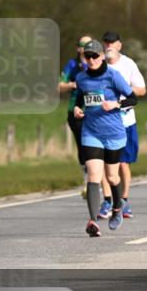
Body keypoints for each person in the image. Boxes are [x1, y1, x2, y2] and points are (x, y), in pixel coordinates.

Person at [72, 40, 135, 236]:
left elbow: (133, 98)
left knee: (112, 177)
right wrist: (77, 108)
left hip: (114, 133)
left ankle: (117, 207)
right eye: (87, 56)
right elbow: (81, 97)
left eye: (94, 56)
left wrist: (116, 104)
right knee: (93, 175)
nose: (90, 60)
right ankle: (93, 220)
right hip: (91, 132)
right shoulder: (81, 77)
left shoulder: (113, 76)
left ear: (101, 56)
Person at [101, 31, 147, 220]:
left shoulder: (128, 64)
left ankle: (124, 200)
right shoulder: (98, 63)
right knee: (104, 163)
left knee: (123, 163)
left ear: (120, 45)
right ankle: (107, 201)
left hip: (125, 120)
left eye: (113, 42)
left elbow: (142, 89)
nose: (109, 46)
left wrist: (125, 90)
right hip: (103, 122)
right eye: (106, 43)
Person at [58, 34, 92, 196]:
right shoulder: (72, 65)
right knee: (82, 144)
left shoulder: (97, 62)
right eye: (83, 45)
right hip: (75, 109)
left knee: (94, 144)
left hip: (93, 110)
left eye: (89, 45)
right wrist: (72, 84)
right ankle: (87, 177)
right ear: (78, 48)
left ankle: (96, 177)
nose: (85, 49)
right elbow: (59, 86)